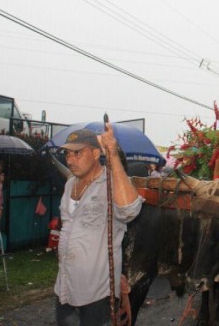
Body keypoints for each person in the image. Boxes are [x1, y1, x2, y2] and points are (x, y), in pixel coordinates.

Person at [54, 126, 143, 326]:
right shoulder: (70, 184)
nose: (70, 160)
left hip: (97, 293)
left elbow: (129, 210)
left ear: (96, 153)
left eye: (77, 153)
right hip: (64, 287)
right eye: (68, 153)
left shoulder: (112, 184)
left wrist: (112, 154)